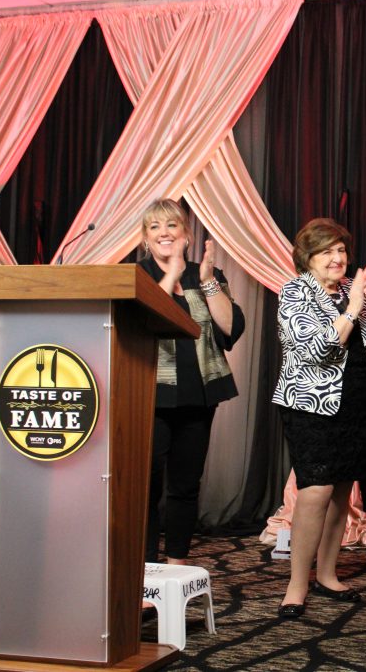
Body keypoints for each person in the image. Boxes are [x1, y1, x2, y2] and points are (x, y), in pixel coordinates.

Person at [273, 218, 366, 618]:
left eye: (341, 250)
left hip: (356, 401)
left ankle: (327, 574)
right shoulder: (294, 292)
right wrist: (354, 308)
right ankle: (296, 585)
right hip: (310, 405)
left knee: (342, 488)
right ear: (307, 257)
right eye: (326, 251)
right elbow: (318, 348)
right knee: (316, 491)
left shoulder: (348, 291)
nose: (336, 258)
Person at [140, 199, 245, 565]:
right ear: (145, 238)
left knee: (185, 485)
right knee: (146, 483)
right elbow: (148, 320)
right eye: (155, 227)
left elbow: (230, 328)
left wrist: (208, 281)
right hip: (148, 394)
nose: (164, 233)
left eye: (172, 225)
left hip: (198, 394)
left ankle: (176, 564)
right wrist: (171, 274)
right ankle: (145, 565)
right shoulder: (136, 275)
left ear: (186, 233)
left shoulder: (206, 274)